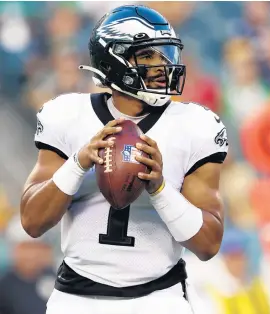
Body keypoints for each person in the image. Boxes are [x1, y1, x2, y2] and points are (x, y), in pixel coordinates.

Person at [20, 5, 228, 314]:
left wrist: (159, 189)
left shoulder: (195, 126)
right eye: (147, 56)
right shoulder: (66, 116)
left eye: (164, 55)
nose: (162, 65)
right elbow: (33, 222)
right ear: (113, 58)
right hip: (76, 299)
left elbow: (208, 245)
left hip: (160, 299)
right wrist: (77, 164)